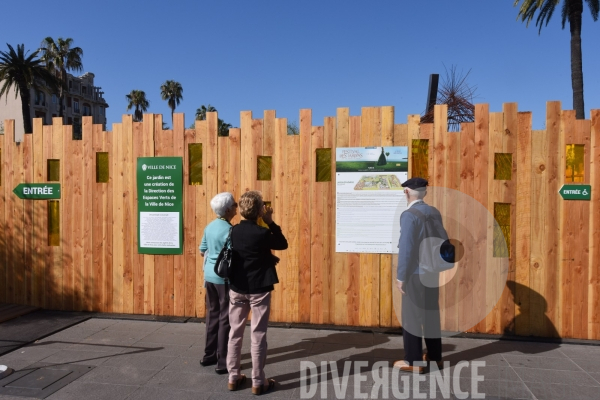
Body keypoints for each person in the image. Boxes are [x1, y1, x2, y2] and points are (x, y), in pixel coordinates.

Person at [226, 191, 288, 395]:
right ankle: (257, 381)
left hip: (237, 287)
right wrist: (270, 222)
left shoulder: (233, 231)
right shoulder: (263, 233)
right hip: (259, 288)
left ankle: (233, 377)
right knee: (258, 334)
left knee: (235, 332)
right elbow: (282, 244)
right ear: (260, 210)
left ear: (242, 210)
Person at [394, 177, 443, 374]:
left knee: (412, 317)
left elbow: (407, 248)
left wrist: (401, 277)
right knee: (431, 314)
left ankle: (413, 361)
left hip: (415, 274)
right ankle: (435, 357)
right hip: (432, 272)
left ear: (406, 192)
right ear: (425, 193)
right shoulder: (434, 212)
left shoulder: (409, 215)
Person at [199, 192, 238, 374]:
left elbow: (202, 250)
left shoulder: (210, 226)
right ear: (228, 209)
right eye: (235, 205)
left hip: (209, 277)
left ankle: (209, 355)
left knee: (212, 315)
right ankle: (223, 362)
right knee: (225, 318)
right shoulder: (230, 229)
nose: (237, 207)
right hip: (224, 278)